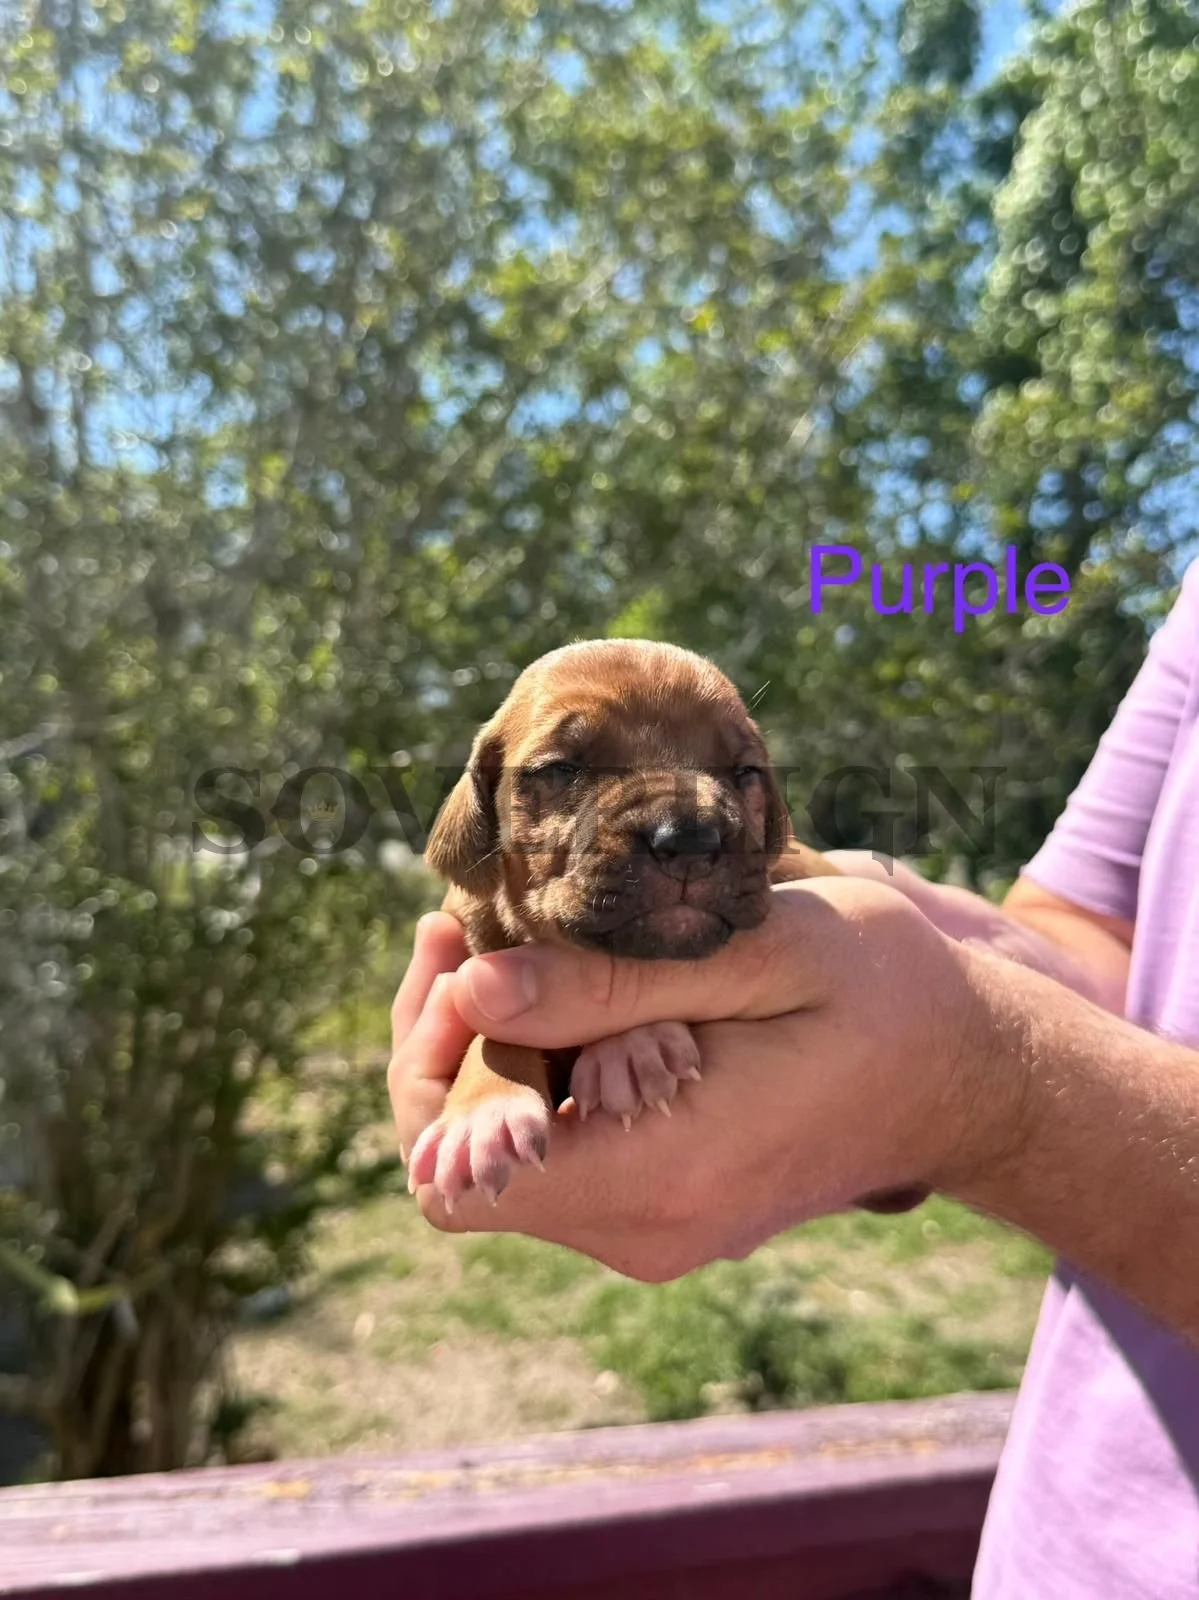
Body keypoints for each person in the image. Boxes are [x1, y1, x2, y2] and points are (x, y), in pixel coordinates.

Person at [389, 560, 1199, 1598]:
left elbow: (981, 1032)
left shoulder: (774, 870)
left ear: (770, 827)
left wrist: (979, 1088)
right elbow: (1084, 942)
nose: (685, 825)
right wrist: (501, 1067)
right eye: (565, 772)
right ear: (481, 814)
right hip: (1059, 1538)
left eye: (736, 777)